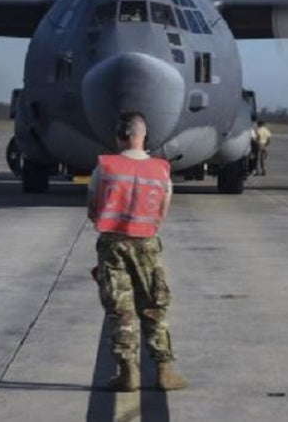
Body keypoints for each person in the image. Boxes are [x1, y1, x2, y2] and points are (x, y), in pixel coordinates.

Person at [87, 111, 187, 392]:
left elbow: (92, 208)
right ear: (146, 137)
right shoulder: (161, 169)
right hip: (146, 243)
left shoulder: (104, 167)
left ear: (120, 136)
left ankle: (128, 372)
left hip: (112, 243)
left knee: (121, 309)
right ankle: (164, 371)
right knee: (154, 306)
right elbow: (163, 210)